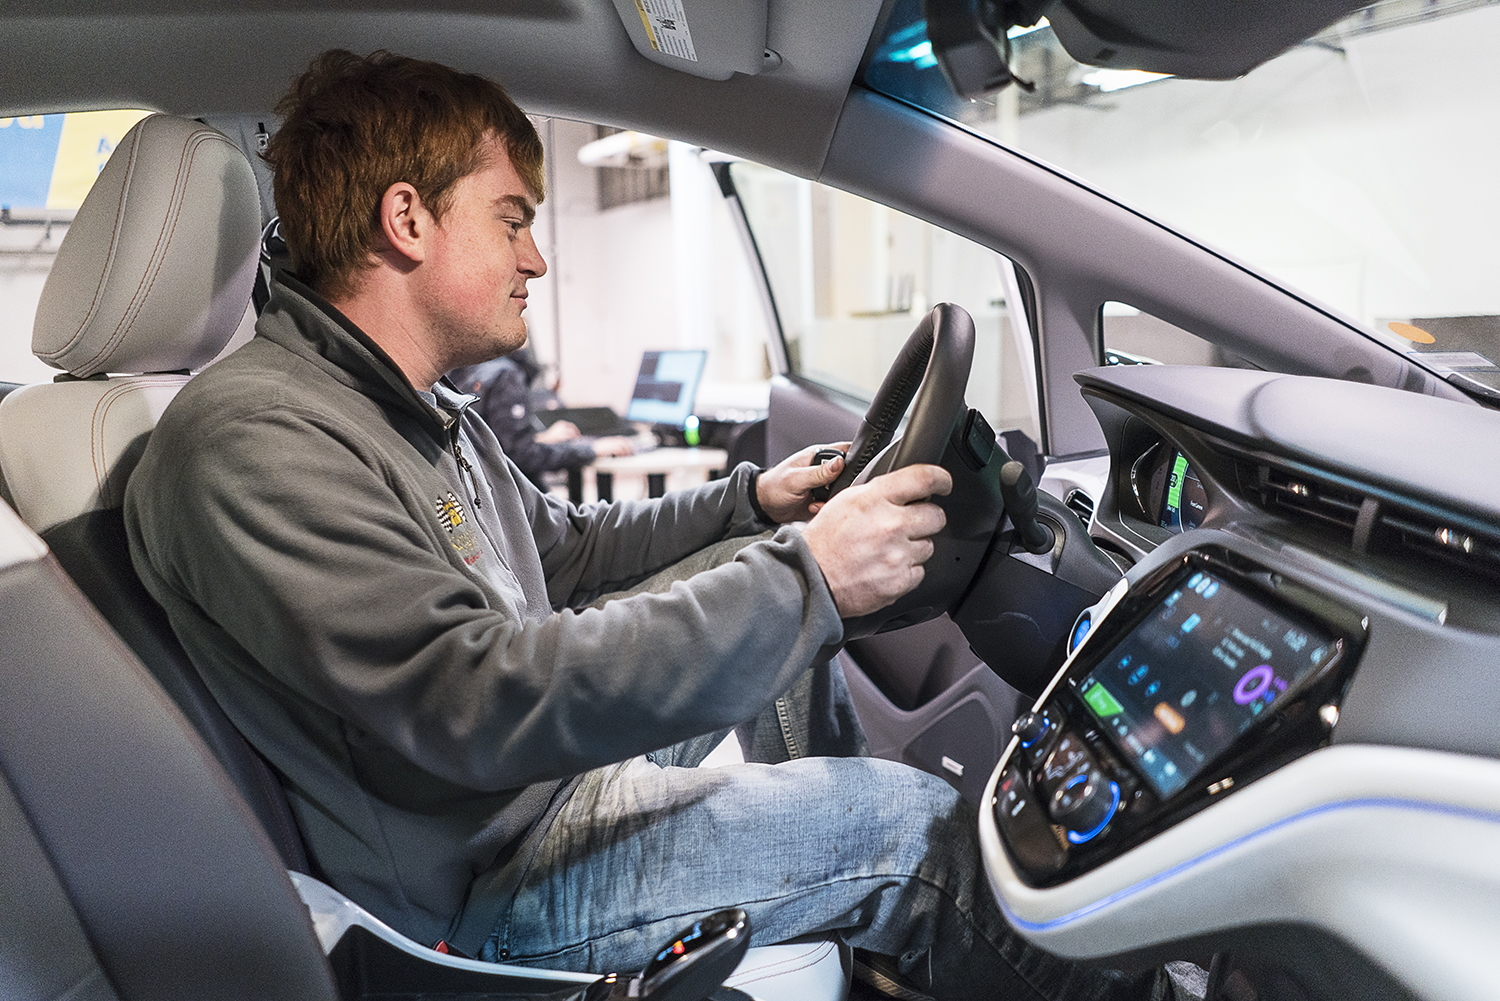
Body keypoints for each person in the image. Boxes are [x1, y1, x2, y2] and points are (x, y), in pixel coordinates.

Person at [125, 50, 1172, 1001]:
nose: (535, 258)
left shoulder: (408, 406)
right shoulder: (252, 441)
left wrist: (755, 508)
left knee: (782, 588)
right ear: (408, 220)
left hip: (528, 794)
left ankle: (836, 894)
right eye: (511, 217)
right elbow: (475, 696)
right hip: (490, 882)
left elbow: (566, 550)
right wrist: (810, 577)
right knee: (923, 828)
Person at [449, 349, 637, 489]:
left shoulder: (462, 369)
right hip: (515, 504)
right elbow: (521, 456)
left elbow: (493, 446)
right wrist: (590, 450)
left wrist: (541, 439)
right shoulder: (505, 374)